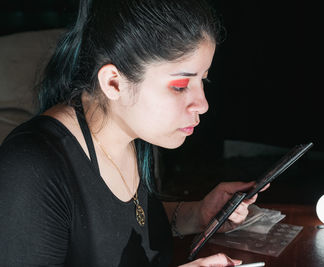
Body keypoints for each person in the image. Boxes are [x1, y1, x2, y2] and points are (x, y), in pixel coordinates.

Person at [0, 0, 268, 266]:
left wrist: (198, 214)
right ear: (114, 83)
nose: (203, 104)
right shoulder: (30, 168)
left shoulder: (129, 131)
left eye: (203, 80)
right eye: (179, 86)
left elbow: (118, 223)